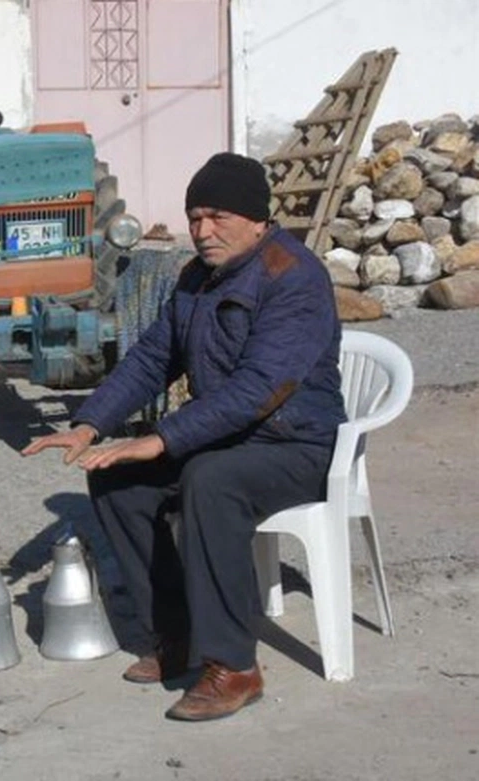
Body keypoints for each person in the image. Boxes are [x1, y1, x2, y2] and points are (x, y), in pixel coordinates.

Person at [22, 153, 346, 722]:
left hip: (295, 443)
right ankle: (176, 635)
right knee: (117, 476)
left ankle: (234, 664)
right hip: (231, 436)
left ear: (254, 217)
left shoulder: (293, 278)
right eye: (194, 217)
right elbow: (153, 358)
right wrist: (90, 423)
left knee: (209, 479)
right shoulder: (198, 277)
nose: (201, 231)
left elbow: (259, 389)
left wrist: (162, 438)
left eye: (216, 216)